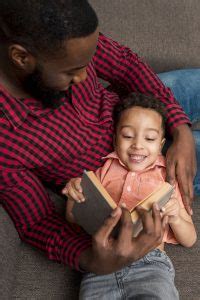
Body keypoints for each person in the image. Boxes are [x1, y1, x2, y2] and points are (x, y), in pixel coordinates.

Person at [0, 0, 197, 276]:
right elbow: (37, 222)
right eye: (71, 72)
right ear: (21, 58)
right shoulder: (4, 139)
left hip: (141, 109)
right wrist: (90, 260)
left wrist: (180, 128)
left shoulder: (69, 38)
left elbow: (125, 66)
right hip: (140, 171)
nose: (83, 77)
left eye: (86, 65)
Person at [65, 93, 197, 299]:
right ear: (115, 137)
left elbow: (190, 240)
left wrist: (176, 214)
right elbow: (72, 219)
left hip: (150, 264)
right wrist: (74, 195)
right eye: (127, 136)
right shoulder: (103, 171)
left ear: (161, 144)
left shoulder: (166, 180)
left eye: (150, 138)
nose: (137, 145)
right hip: (101, 264)